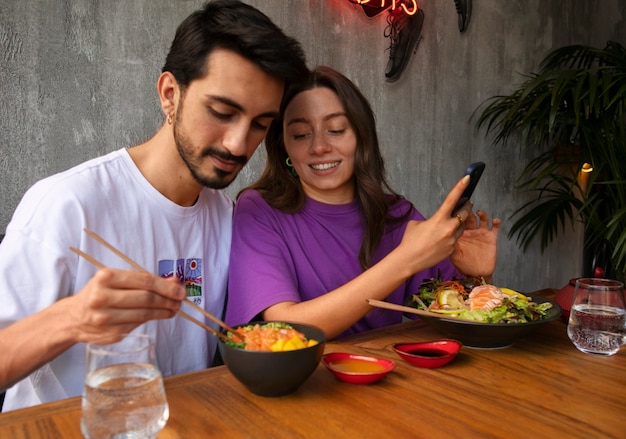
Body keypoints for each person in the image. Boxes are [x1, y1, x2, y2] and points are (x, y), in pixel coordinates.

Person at [0, 0, 307, 411]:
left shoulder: (227, 216)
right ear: (169, 95)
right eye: (221, 112)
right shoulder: (67, 202)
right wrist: (72, 319)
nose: (238, 144)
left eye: (259, 124)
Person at [225, 66, 500, 339]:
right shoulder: (259, 210)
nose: (319, 147)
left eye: (335, 130)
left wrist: (479, 280)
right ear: (283, 145)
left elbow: (450, 322)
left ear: (361, 137)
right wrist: (405, 260)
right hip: (307, 380)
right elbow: (287, 329)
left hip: (388, 376)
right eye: (300, 134)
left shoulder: (399, 215)